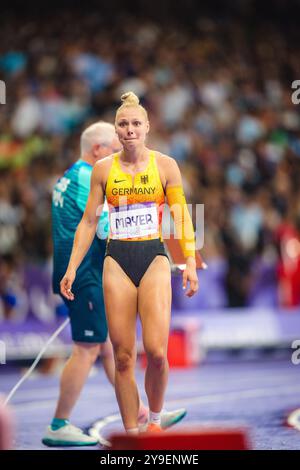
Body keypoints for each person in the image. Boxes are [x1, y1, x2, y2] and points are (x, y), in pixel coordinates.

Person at [60, 93, 198, 434]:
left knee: (157, 352)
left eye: (136, 123)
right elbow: (90, 222)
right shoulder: (103, 170)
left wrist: (190, 261)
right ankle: (132, 436)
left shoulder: (165, 166)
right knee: (122, 357)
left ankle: (154, 421)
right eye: (123, 124)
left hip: (152, 257)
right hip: (116, 260)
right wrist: (72, 267)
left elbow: (180, 216)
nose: (130, 129)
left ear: (147, 128)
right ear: (117, 130)